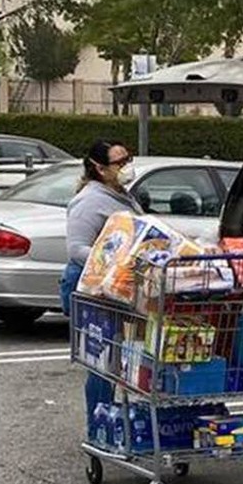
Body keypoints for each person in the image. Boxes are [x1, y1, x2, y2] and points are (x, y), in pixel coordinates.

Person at [60, 140, 143, 430]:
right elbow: (77, 249)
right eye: (119, 162)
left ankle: (122, 423)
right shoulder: (89, 201)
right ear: (99, 168)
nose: (126, 166)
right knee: (102, 361)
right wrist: (115, 261)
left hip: (118, 288)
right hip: (92, 290)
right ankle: (99, 427)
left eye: (127, 158)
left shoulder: (120, 194)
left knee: (125, 358)